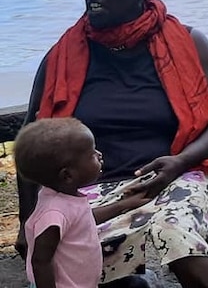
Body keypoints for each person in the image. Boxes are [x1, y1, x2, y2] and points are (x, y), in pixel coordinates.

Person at [16, 0, 208, 288]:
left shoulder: (188, 43)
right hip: (88, 190)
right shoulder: (62, 56)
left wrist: (179, 162)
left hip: (174, 177)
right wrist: (29, 222)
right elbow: (31, 140)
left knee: (175, 231)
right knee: (65, 255)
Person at [16, 118, 151, 288]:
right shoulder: (53, 215)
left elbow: (83, 219)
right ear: (68, 175)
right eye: (92, 154)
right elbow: (40, 262)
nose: (99, 155)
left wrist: (124, 205)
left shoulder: (64, 196)